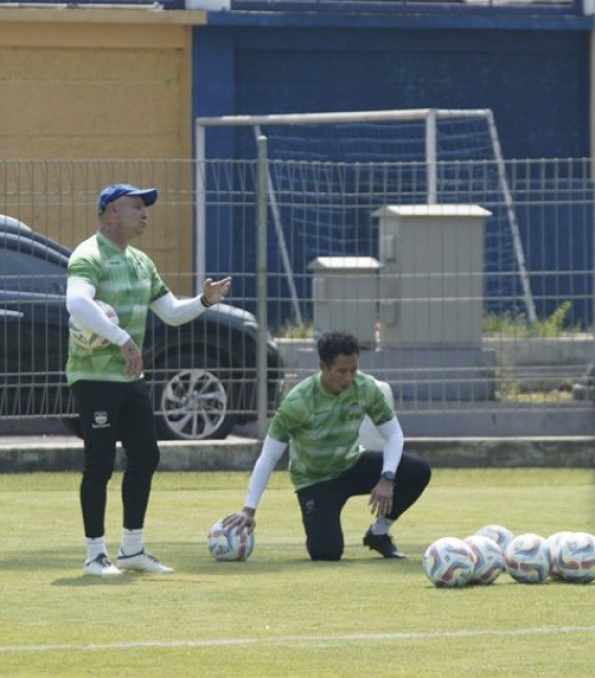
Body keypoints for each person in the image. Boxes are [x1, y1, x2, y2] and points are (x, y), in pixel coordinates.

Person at [68, 183, 234, 577]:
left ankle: (132, 549)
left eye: (146, 208)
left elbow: (172, 312)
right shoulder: (88, 255)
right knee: (100, 463)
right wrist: (123, 338)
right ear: (110, 211)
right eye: (137, 206)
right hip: (93, 378)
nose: (145, 214)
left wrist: (204, 301)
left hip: (130, 379)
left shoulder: (141, 262)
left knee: (146, 456)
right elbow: (76, 303)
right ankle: (95, 555)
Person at [220, 331, 432, 561]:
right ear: (323, 366)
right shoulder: (298, 401)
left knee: (417, 470)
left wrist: (387, 477)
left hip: (352, 465)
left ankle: (378, 533)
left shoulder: (365, 386)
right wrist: (248, 510)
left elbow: (394, 434)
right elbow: (269, 457)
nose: (349, 378)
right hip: (315, 481)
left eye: (353, 370)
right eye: (341, 371)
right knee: (326, 552)